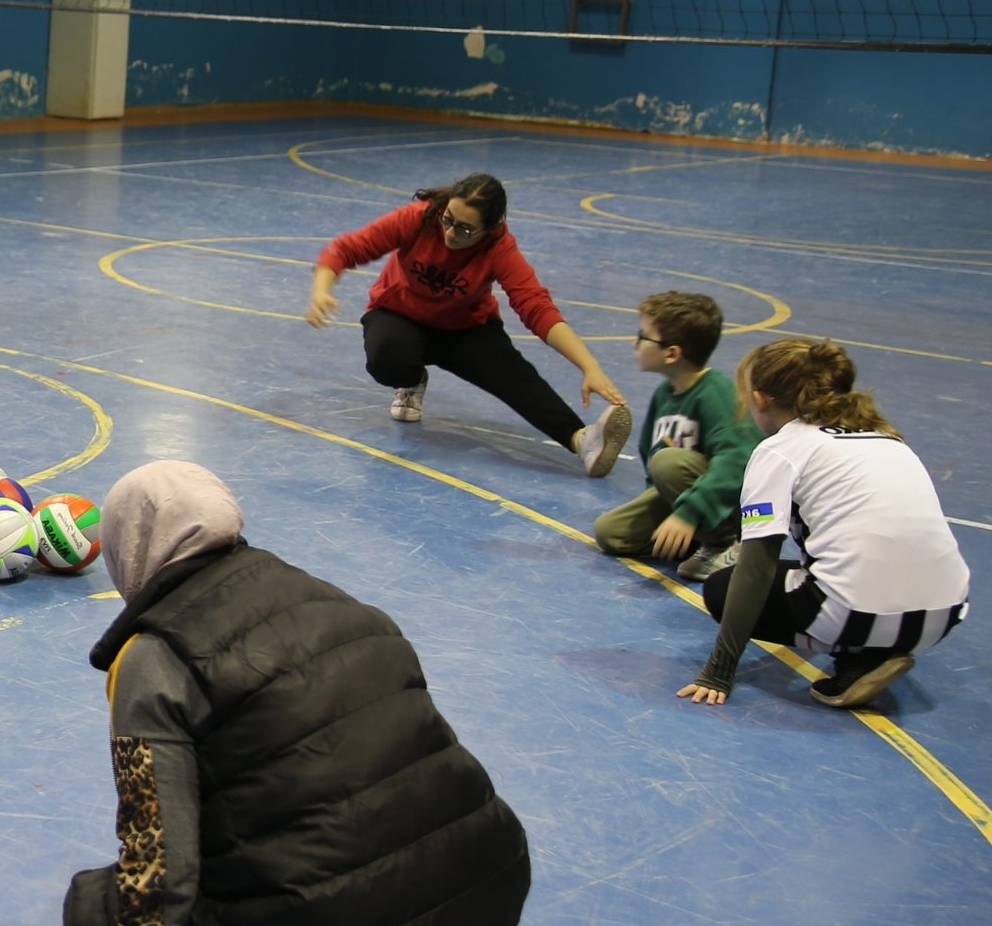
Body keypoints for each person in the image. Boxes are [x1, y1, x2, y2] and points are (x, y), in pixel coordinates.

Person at [59, 460, 533, 926]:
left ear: (128, 549)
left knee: (98, 907)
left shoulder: (153, 658)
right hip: (483, 888)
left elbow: (157, 858)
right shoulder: (328, 595)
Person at [679, 338, 969, 711]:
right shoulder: (888, 438)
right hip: (944, 615)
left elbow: (756, 567)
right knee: (831, 568)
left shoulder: (780, 449)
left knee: (723, 587)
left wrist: (719, 670)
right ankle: (869, 654)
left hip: (854, 613)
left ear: (761, 399)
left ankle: (855, 652)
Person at [306, 171, 631, 476]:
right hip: (399, 315)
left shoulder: (499, 248)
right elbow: (347, 248)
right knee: (388, 359)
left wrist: (589, 366)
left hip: (465, 328)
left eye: (464, 229)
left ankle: (581, 440)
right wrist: (322, 289)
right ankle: (413, 379)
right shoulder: (418, 218)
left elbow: (537, 307)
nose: (449, 232)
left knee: (515, 378)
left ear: (490, 229)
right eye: (448, 219)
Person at [592, 290, 755, 582]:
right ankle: (692, 540)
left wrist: (687, 514)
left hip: (727, 504)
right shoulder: (663, 395)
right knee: (611, 532)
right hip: (689, 497)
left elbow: (737, 460)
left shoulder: (714, 392)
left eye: (643, 336)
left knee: (668, 461)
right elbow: (648, 456)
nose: (635, 342)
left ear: (672, 353)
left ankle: (724, 541)